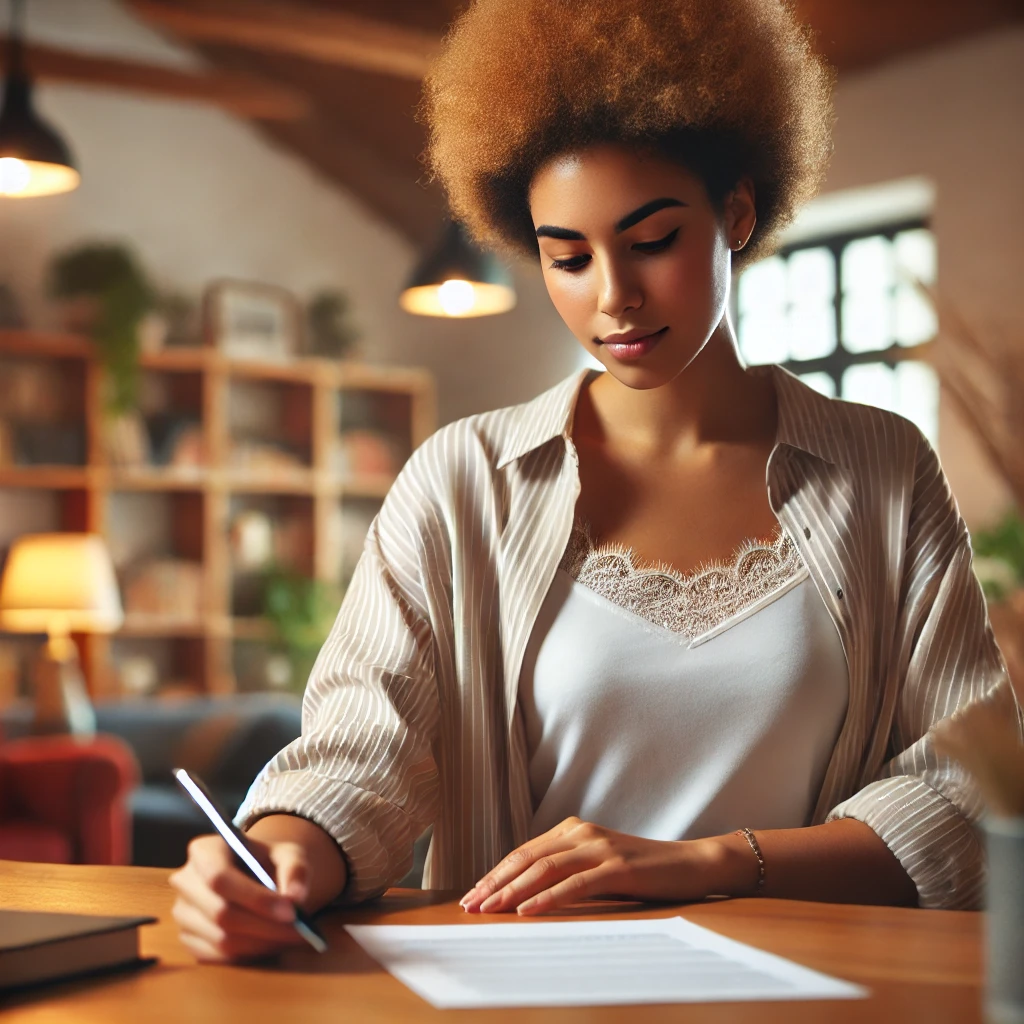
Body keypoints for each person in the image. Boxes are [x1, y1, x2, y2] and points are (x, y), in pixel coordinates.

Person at [170, 0, 1019, 962]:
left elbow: (962, 785)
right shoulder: (464, 481)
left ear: (736, 212)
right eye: (566, 257)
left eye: (651, 240)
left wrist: (711, 861)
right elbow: (361, 754)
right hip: (523, 988)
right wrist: (269, 863)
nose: (610, 295)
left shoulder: (884, 471)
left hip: (810, 989)